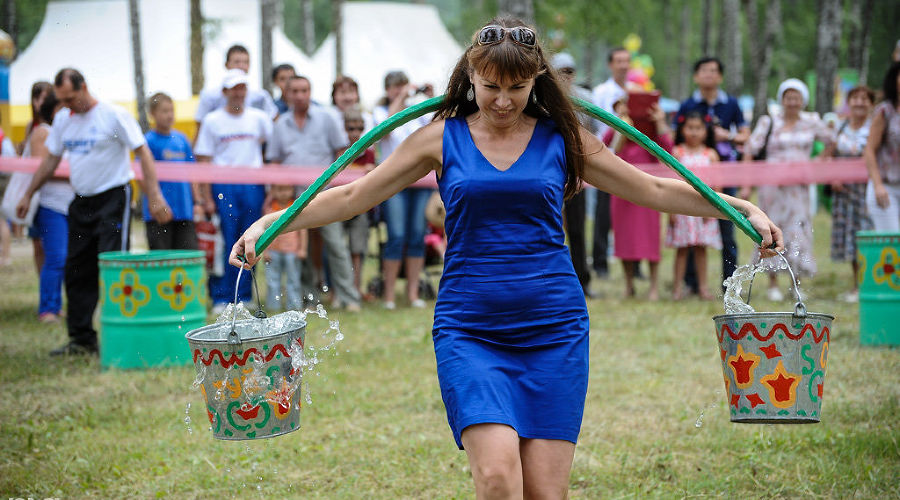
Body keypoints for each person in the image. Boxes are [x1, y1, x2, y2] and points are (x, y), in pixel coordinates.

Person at [228, 18, 783, 497]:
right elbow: (352, 196)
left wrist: (742, 210)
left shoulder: (562, 139)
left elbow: (657, 190)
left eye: (516, 87)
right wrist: (273, 222)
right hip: (471, 328)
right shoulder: (438, 137)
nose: (501, 100)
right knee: (497, 480)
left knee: (545, 491)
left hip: (554, 328)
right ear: (470, 77)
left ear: (535, 81)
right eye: (490, 85)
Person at [16, 68, 172, 355]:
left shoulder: (113, 115)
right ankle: (82, 340)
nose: (68, 105)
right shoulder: (63, 119)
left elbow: (143, 152)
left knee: (112, 267)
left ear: (84, 87)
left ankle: (120, 337)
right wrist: (28, 192)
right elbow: (51, 160)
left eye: (72, 98)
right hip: (81, 201)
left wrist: (155, 195)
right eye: (62, 100)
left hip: (114, 198)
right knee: (76, 269)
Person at [266, 75, 361, 312]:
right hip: (293, 199)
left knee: (337, 245)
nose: (300, 96)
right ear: (287, 94)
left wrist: (340, 186)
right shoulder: (280, 125)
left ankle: (349, 297)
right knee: (303, 251)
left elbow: (342, 153)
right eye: (295, 91)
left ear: (310, 92)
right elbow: (275, 162)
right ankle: (310, 298)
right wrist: (274, 194)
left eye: (304, 90)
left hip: (326, 193)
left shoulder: (327, 118)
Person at [744, 78, 834, 301]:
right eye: (788, 97)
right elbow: (750, 147)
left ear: (803, 100)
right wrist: (746, 183)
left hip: (799, 189)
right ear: (782, 99)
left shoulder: (811, 121)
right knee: (771, 228)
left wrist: (817, 162)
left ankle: (796, 284)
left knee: (799, 230)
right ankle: (772, 282)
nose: (792, 102)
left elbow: (832, 140)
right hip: (772, 188)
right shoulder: (769, 122)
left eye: (797, 97)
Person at [194, 69, 272, 313]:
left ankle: (246, 294)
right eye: (234, 88)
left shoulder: (259, 118)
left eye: (242, 88)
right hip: (224, 185)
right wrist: (206, 196)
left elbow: (266, 152)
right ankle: (222, 297)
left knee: (252, 238)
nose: (239, 93)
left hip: (253, 184)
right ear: (225, 92)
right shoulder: (212, 120)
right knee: (226, 240)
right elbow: (204, 160)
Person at [675, 56, 750, 291]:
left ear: (720, 76)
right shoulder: (687, 106)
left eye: (713, 71)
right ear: (696, 76)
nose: (709, 75)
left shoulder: (732, 105)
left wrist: (725, 136)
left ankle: (729, 282)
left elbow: (745, 135)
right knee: (690, 229)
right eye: (704, 71)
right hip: (691, 176)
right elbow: (676, 137)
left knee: (728, 226)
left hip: (724, 173)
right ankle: (691, 283)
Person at [373, 70, 434, 309]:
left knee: (417, 236)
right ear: (387, 90)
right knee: (396, 236)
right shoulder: (379, 112)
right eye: (395, 87)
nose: (400, 91)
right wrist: (401, 99)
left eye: (403, 86)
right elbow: (385, 128)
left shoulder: (418, 114)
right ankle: (388, 296)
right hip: (394, 181)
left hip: (421, 182)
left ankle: (412, 293)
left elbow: (437, 127)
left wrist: (430, 98)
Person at [606, 95, 671, 300]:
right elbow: (607, 144)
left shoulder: (652, 127)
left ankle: (653, 286)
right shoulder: (621, 123)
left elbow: (668, 150)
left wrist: (659, 121)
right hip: (622, 188)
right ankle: (628, 285)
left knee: (650, 237)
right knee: (624, 237)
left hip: (649, 189)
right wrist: (620, 119)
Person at [24, 86, 74, 322]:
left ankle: (56, 305)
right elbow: (41, 169)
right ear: (55, 109)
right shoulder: (42, 132)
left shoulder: (61, 132)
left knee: (64, 258)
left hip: (69, 205)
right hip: (51, 205)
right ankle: (47, 308)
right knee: (55, 256)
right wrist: (78, 173)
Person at [824, 86, 874, 302]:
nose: (860, 102)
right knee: (852, 238)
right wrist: (833, 176)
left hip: (869, 191)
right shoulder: (840, 127)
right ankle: (857, 285)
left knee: (870, 235)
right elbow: (829, 155)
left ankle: (874, 282)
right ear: (849, 103)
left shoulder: (875, 127)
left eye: (865, 98)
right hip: (844, 193)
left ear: (871, 104)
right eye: (855, 98)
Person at [552, 51, 596, 297]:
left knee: (578, 229)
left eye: (569, 71)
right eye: (560, 71)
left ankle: (583, 280)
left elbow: (598, 132)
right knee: (550, 228)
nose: (565, 76)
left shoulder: (585, 98)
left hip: (579, 173)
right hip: (550, 175)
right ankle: (557, 282)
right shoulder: (544, 99)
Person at [667, 112, 722, 300]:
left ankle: (703, 288)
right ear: (682, 130)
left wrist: (714, 208)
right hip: (682, 208)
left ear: (705, 131)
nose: (694, 132)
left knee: (701, 249)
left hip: (704, 209)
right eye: (690, 128)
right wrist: (671, 210)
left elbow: (717, 185)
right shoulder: (677, 153)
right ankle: (677, 289)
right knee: (681, 250)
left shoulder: (711, 155)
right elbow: (670, 183)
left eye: (698, 128)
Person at [590, 47, 630, 277]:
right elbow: (596, 127)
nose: (623, 65)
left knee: (631, 211)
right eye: (619, 61)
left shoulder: (635, 91)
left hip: (630, 161)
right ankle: (600, 262)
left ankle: (632, 264)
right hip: (605, 156)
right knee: (602, 213)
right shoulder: (601, 93)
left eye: (626, 61)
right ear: (610, 64)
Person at [143, 92, 199, 250]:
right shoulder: (148, 142)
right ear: (153, 114)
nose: (169, 115)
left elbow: (192, 172)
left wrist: (197, 202)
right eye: (164, 111)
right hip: (159, 213)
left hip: (184, 210)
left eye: (171, 110)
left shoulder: (182, 140)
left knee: (188, 256)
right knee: (162, 259)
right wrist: (155, 201)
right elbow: (142, 176)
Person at [194, 44, 278, 130]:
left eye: (246, 62)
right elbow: (200, 125)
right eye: (237, 62)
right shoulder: (210, 96)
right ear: (226, 65)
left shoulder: (260, 95)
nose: (241, 66)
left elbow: (273, 117)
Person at [342, 107, 376, 299]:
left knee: (357, 249)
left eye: (359, 128)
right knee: (340, 250)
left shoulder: (369, 153)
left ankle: (356, 288)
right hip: (340, 203)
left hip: (361, 205)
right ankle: (340, 290)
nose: (355, 133)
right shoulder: (340, 151)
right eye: (351, 128)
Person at [864, 61, 900, 232]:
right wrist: (878, 185)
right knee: (892, 245)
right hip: (887, 187)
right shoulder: (885, 111)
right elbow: (870, 150)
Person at [264, 184, 307, 311]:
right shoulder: (270, 209)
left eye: (287, 189)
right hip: (273, 251)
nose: (283, 193)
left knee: (293, 280)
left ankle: (294, 306)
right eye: (280, 189)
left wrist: (302, 249)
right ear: (272, 191)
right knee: (272, 280)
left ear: (293, 190)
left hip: (292, 251)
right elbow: (264, 230)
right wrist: (265, 251)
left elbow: (303, 230)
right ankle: (273, 306)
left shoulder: (296, 208)